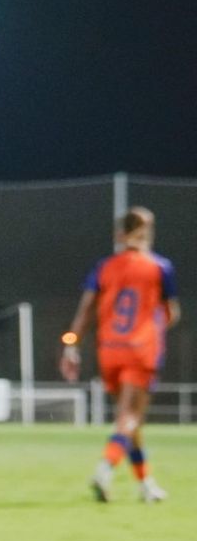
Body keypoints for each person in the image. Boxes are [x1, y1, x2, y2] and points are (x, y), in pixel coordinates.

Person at [61, 208, 178, 502]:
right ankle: (104, 469)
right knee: (130, 417)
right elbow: (171, 313)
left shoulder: (104, 267)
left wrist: (71, 346)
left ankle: (146, 485)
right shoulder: (159, 267)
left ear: (119, 235)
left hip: (109, 351)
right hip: (141, 351)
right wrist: (154, 326)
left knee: (129, 421)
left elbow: (84, 313)